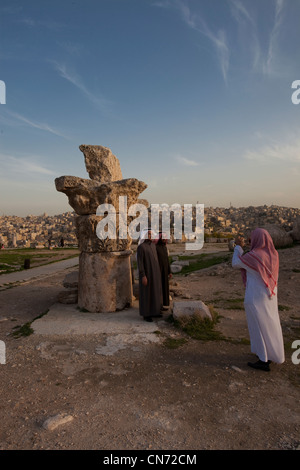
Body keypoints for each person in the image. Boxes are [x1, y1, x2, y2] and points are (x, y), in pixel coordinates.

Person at [232, 228, 285, 372]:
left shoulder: (254, 256)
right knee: (271, 325)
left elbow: (236, 263)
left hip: (255, 297)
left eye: (251, 240)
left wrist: (238, 246)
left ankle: (263, 359)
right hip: (270, 296)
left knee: (258, 327)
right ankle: (273, 354)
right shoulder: (273, 255)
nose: (250, 242)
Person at [137, 228, 163, 322]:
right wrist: (143, 275)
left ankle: (155, 312)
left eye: (151, 234)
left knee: (155, 293)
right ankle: (146, 314)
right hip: (147, 274)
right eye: (148, 234)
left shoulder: (153, 246)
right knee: (147, 294)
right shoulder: (141, 247)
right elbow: (140, 263)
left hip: (155, 274)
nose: (150, 236)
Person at [155, 232, 172, 310]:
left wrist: (169, 271)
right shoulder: (155, 247)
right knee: (159, 289)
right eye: (163, 237)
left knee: (164, 289)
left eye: (165, 237)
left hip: (165, 271)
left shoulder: (165, 247)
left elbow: (166, 260)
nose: (164, 239)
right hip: (158, 271)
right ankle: (157, 306)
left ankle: (162, 305)